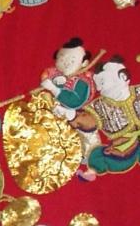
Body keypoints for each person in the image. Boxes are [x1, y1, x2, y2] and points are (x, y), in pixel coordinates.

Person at [77, 55, 140, 198]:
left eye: (103, 82)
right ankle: (91, 171)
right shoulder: (100, 105)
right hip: (122, 145)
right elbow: (90, 120)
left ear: (122, 77)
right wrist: (73, 117)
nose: (99, 87)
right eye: (98, 84)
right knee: (104, 157)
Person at [40, 38, 100, 172]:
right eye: (62, 59)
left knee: (87, 140)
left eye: (72, 61)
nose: (66, 63)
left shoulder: (82, 81)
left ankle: (91, 162)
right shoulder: (57, 76)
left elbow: (74, 101)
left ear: (84, 63)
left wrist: (54, 89)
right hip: (60, 119)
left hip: (78, 116)